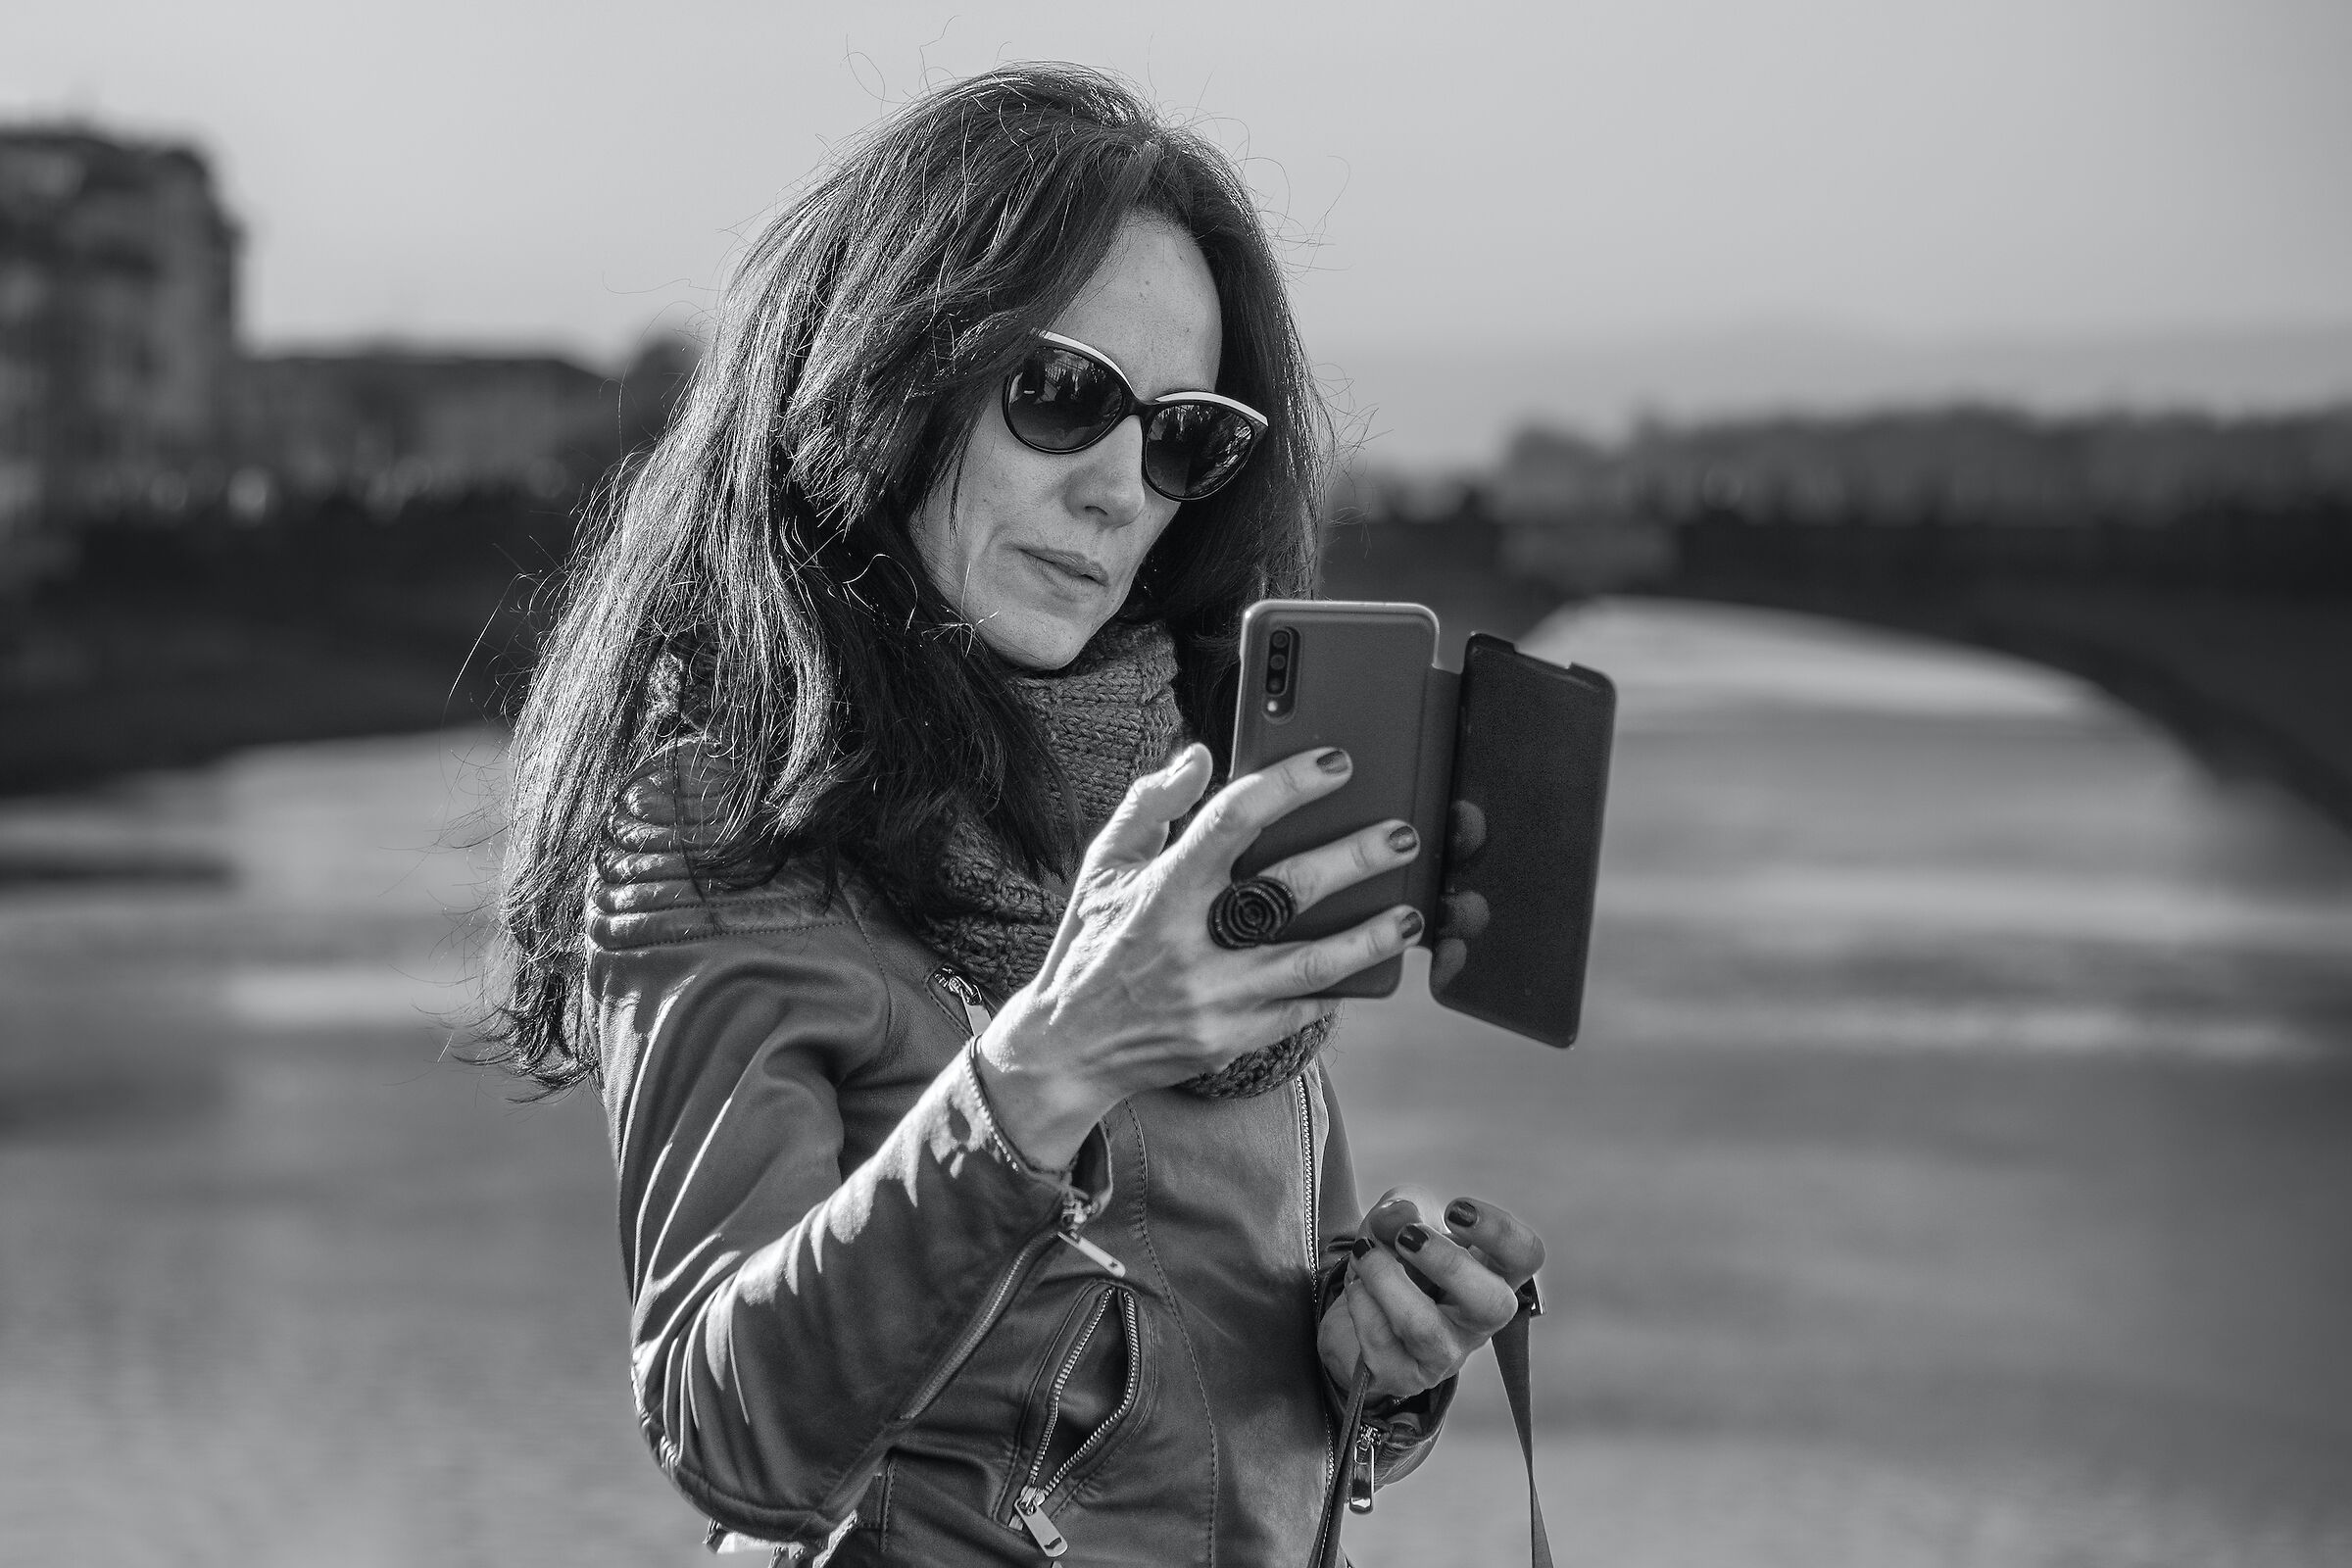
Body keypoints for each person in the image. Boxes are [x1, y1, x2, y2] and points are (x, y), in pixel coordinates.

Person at [486, 64, 1546, 1566]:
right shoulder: (732, 815)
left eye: (1184, 437)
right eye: (1062, 397)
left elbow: (1181, 1361)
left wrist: (1377, 1365)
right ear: (891, 377)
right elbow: (733, 1432)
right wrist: (1052, 1063)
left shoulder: (1178, 789)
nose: (1123, 489)